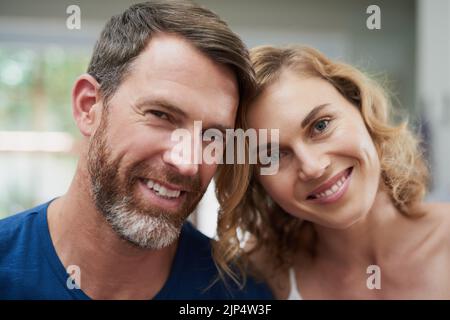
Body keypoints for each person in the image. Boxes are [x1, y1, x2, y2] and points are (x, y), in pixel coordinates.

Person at [0, 1, 272, 300]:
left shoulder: (241, 296)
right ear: (88, 106)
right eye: (162, 115)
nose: (188, 163)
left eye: (212, 136)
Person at [214, 45, 450, 299]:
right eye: (272, 155)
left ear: (361, 109)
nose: (313, 167)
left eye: (321, 126)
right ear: (256, 181)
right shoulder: (258, 273)